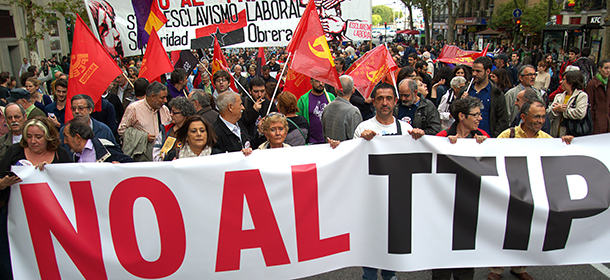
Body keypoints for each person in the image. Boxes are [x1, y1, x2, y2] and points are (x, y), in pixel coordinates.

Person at [352, 82, 424, 280]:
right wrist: (359, 143)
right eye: (380, 99)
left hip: (396, 198)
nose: (385, 103)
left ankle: (390, 274)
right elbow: (352, 164)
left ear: (395, 101)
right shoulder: (363, 128)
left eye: (389, 98)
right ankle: (369, 276)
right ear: (373, 102)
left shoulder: (407, 129)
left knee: (393, 240)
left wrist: (421, 140)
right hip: (371, 199)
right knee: (371, 241)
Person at [0, 116, 71, 279]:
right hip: (16, 218)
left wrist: (51, 174)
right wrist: (4, 183)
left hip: (50, 220)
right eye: (29, 136)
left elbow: (69, 186)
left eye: (38, 137)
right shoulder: (14, 151)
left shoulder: (60, 155)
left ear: (48, 137)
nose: (33, 141)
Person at [118, 81, 171, 161]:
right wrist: (143, 136)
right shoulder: (134, 109)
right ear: (153, 97)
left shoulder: (165, 110)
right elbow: (122, 131)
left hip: (162, 157)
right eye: (162, 98)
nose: (165, 100)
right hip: (142, 158)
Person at [460, 57, 509, 137]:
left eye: (478, 71)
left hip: (487, 139)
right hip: (467, 139)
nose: (474, 74)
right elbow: (455, 113)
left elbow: (502, 120)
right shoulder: (465, 90)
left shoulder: (496, 93)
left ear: (488, 71)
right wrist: (460, 102)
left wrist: (494, 139)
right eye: (473, 71)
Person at [63, 120, 133, 163]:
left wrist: (119, 167)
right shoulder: (76, 155)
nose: (65, 141)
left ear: (78, 138)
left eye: (66, 137)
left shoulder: (106, 148)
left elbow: (130, 164)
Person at [547, 70, 588, 137]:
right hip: (555, 134)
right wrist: (555, 110)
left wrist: (564, 110)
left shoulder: (582, 96)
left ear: (571, 82)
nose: (561, 82)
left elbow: (580, 113)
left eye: (563, 80)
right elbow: (548, 114)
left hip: (571, 135)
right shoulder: (558, 96)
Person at [321, 75, 362, 141]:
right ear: (353, 90)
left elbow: (324, 133)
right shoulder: (353, 112)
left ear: (336, 90)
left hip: (329, 148)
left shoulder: (327, 108)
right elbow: (356, 140)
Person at [297, 78, 336, 144]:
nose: (320, 84)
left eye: (322, 81)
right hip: (311, 142)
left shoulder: (331, 97)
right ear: (311, 82)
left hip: (329, 141)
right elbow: (299, 121)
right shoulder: (303, 100)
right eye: (317, 81)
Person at [586, 59, 610, 134]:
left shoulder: (608, 83)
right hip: (596, 122)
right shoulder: (592, 84)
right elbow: (590, 105)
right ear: (600, 69)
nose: (608, 70)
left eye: (609, 68)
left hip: (607, 121)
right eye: (605, 68)